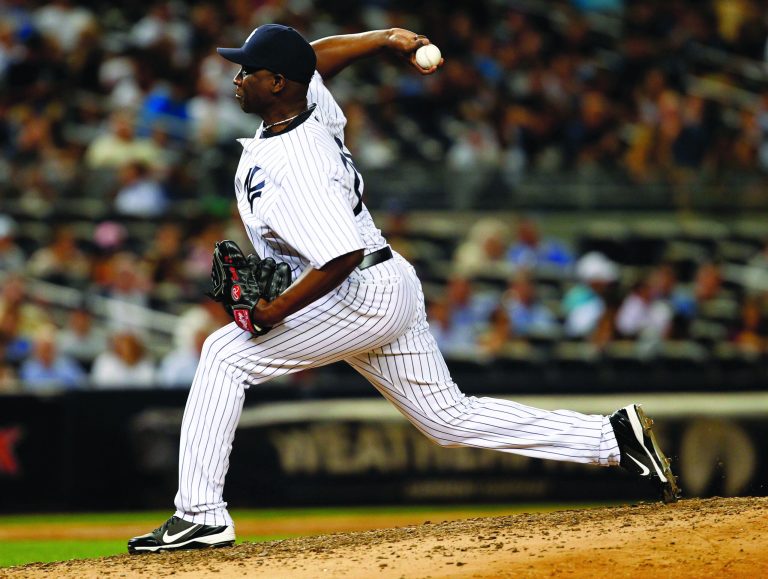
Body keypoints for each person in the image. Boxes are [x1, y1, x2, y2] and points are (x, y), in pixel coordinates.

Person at [128, 25, 679, 554]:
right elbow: (313, 55)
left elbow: (339, 255)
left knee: (225, 354)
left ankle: (200, 515)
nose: (236, 77)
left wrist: (275, 310)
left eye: (247, 70)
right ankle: (613, 440)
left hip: (356, 290)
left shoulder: (299, 161)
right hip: (385, 280)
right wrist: (385, 38)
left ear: (276, 84)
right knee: (447, 418)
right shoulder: (306, 105)